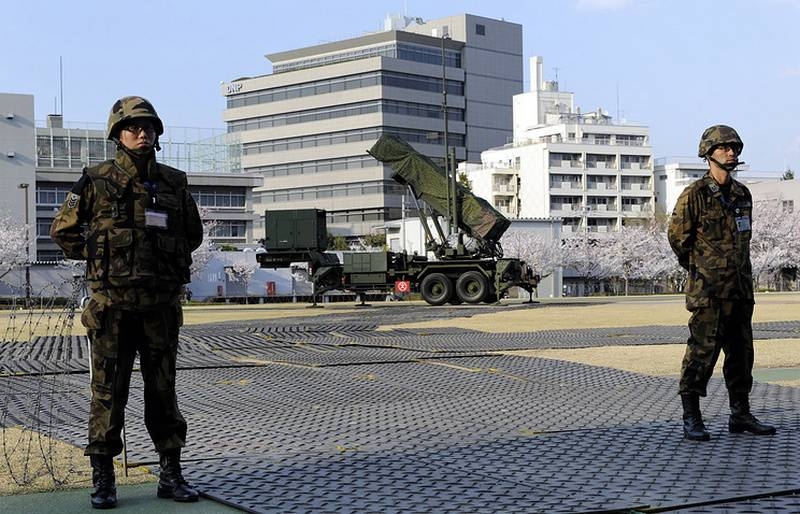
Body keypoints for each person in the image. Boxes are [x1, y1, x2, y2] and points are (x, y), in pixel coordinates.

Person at [51, 96, 204, 508]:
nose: (142, 133)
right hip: (112, 309)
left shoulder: (174, 183)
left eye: (148, 126)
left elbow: (192, 235)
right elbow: (63, 230)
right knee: (107, 393)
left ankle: (171, 475)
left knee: (163, 391)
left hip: (159, 308)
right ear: (117, 135)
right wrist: (102, 255)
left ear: (156, 133)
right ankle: (103, 480)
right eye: (133, 127)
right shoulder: (95, 180)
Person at [667, 124, 776, 442]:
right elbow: (678, 238)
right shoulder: (695, 195)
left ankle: (740, 414)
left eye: (735, 147)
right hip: (709, 292)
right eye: (724, 147)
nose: (731, 152)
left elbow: (744, 239)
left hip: (740, 289)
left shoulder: (743, 194)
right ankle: (692, 416)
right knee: (702, 353)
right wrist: (701, 268)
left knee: (742, 355)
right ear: (708, 153)